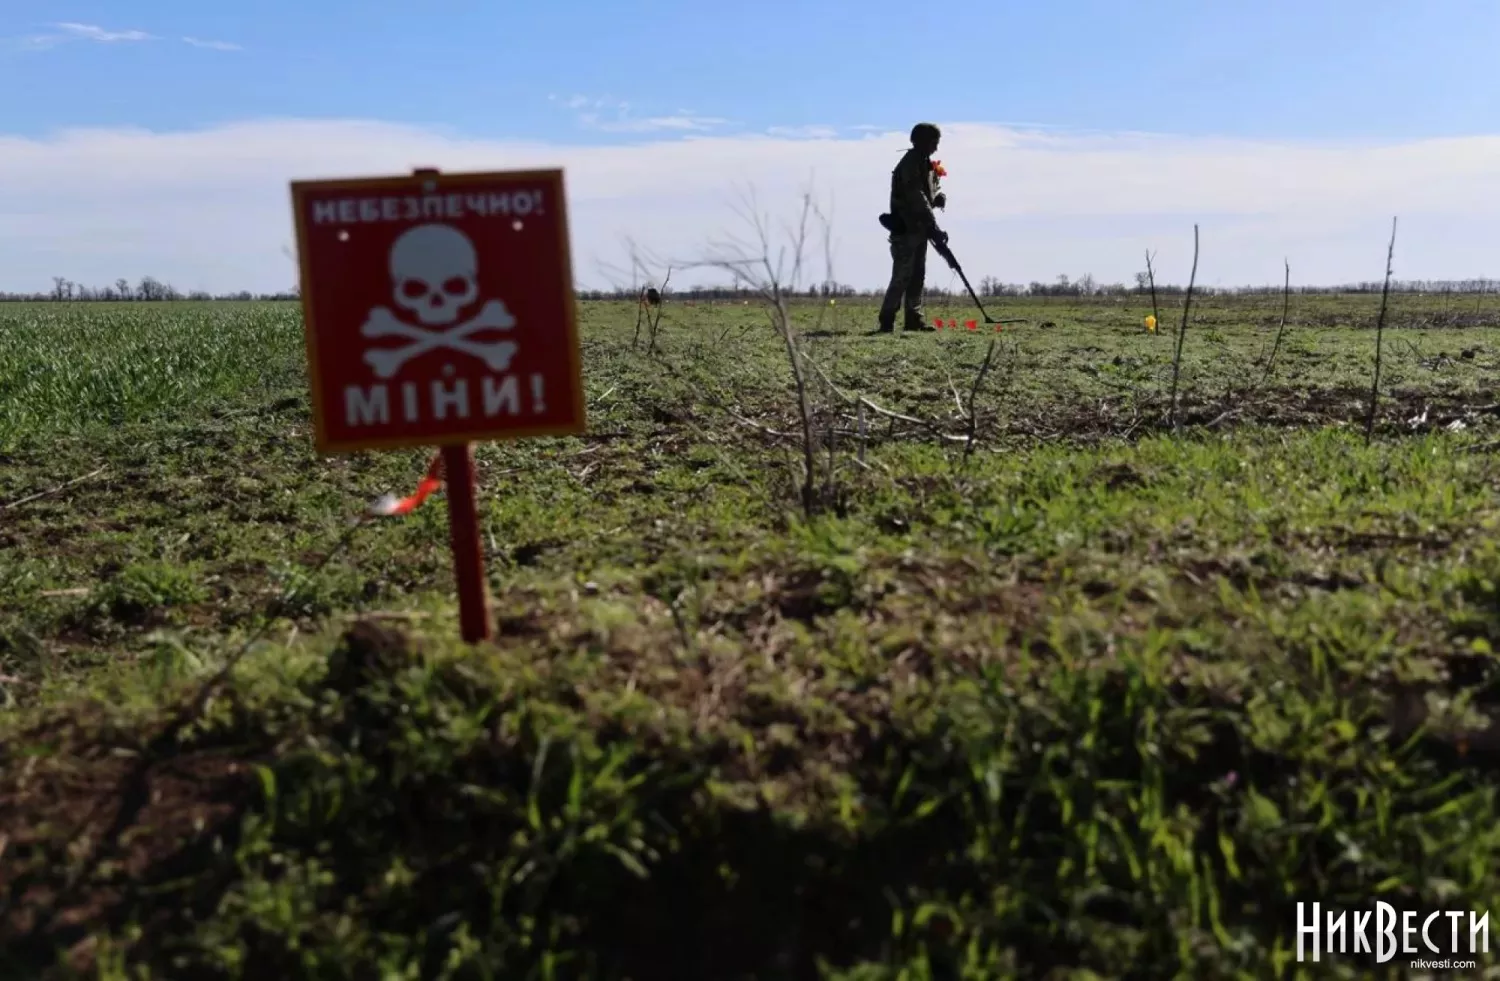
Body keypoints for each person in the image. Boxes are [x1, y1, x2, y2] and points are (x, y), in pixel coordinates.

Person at [877, 122, 948, 333]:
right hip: (906, 230)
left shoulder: (924, 164)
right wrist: (933, 225)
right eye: (934, 142)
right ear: (922, 142)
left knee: (918, 276)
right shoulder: (909, 163)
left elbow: (928, 195)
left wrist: (938, 197)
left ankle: (913, 320)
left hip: (919, 229)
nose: (936, 147)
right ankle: (887, 320)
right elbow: (916, 197)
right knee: (902, 276)